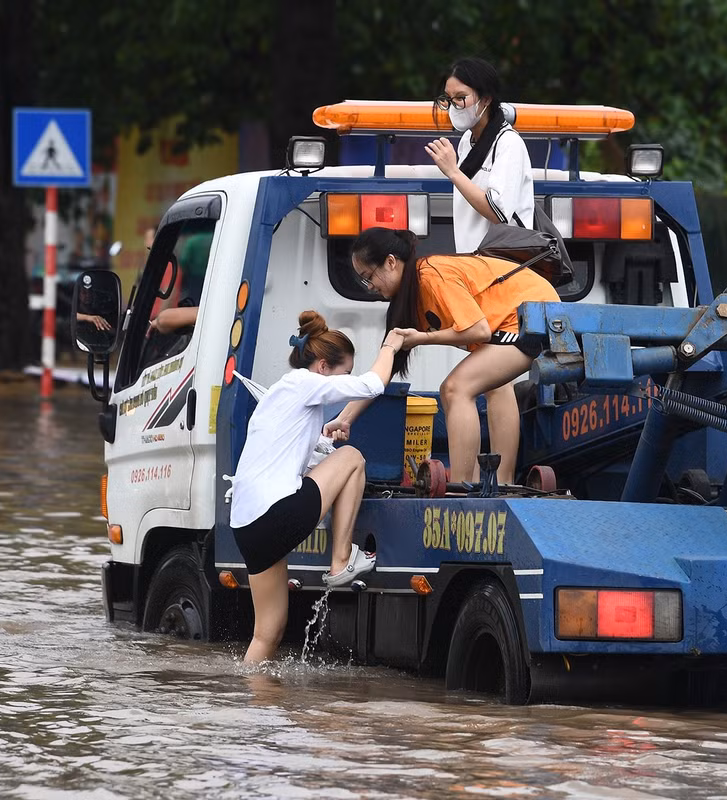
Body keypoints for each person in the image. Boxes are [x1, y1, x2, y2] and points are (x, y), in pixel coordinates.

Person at [230, 310, 405, 663]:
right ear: (323, 367)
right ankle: (341, 561)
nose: (345, 381)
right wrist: (390, 346)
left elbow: (300, 458)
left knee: (267, 632)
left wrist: (330, 431)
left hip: (246, 527)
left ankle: (250, 709)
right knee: (354, 457)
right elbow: (373, 385)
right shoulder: (306, 383)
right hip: (275, 513)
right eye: (344, 373)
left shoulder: (280, 395)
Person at [336, 227, 557, 486]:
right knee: (494, 385)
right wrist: (345, 418)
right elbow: (381, 373)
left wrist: (422, 338)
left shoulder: (430, 275)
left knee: (455, 388)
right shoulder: (406, 300)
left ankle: (462, 486)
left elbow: (478, 329)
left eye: (368, 277)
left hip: (534, 313)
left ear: (391, 262)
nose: (369, 286)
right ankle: (500, 483)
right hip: (525, 316)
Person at [426, 56, 533, 254]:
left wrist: (453, 172)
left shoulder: (508, 143)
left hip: (503, 265)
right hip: (472, 261)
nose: (453, 106)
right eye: (448, 99)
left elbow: (498, 213)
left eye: (460, 98)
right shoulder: (467, 140)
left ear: (486, 99)